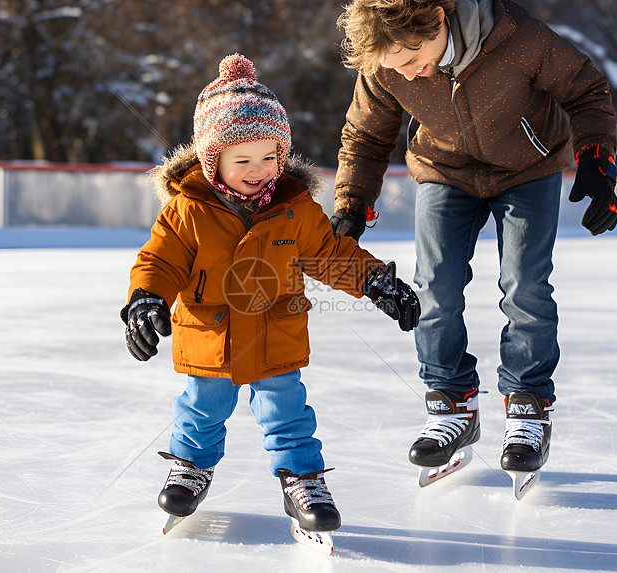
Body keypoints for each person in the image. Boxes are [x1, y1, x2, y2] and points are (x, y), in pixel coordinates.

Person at [121, 53, 420, 533]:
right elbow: (159, 260)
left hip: (273, 336)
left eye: (269, 158)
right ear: (211, 159)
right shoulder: (187, 211)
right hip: (210, 338)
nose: (259, 170)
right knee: (201, 407)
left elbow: (330, 253)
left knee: (288, 413)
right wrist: (146, 298)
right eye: (243, 160)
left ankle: (303, 480)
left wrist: (375, 280)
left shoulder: (294, 209)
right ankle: (190, 467)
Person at [331, 0, 617, 482]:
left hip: (527, 169)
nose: (409, 73)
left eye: (412, 58)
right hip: (444, 171)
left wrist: (596, 156)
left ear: (439, 19)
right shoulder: (385, 64)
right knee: (434, 287)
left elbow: (587, 89)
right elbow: (365, 135)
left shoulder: (518, 38)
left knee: (524, 285)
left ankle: (527, 404)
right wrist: (353, 201)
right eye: (395, 68)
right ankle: (451, 402)